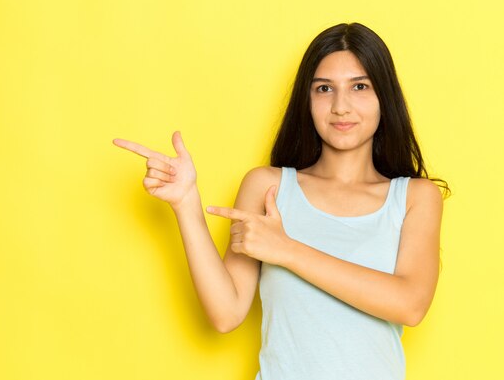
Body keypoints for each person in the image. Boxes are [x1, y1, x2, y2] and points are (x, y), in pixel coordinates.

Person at [112, 22, 448, 380]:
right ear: (307, 101)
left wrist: (287, 250)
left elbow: (410, 305)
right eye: (324, 89)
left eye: (360, 86)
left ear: (385, 97)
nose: (340, 106)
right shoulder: (268, 188)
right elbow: (226, 313)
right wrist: (185, 204)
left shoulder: (415, 197)